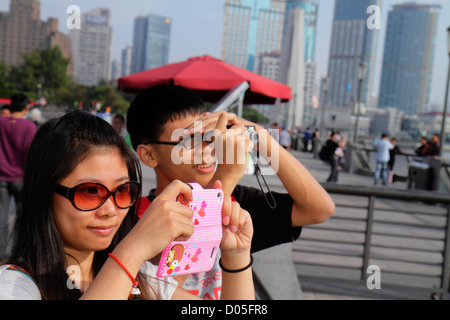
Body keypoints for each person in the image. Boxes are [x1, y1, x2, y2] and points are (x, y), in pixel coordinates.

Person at [0, 110, 255, 300]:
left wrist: (236, 258)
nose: (110, 209)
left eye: (122, 191)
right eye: (90, 192)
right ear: (45, 192)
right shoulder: (14, 286)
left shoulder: (142, 277)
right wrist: (133, 248)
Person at [126, 84, 335, 299]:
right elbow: (157, 289)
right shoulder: (134, 216)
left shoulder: (236, 203)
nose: (205, 149)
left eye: (210, 137)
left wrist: (257, 133)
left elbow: (319, 209)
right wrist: (225, 178)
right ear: (149, 155)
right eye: (189, 141)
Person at [0, 94, 37, 260]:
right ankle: (18, 252)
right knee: (22, 217)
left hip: (1, 176)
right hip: (21, 177)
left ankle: (1, 252)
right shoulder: (29, 126)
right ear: (26, 108)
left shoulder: (1, 122)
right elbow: (30, 153)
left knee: (1, 214)